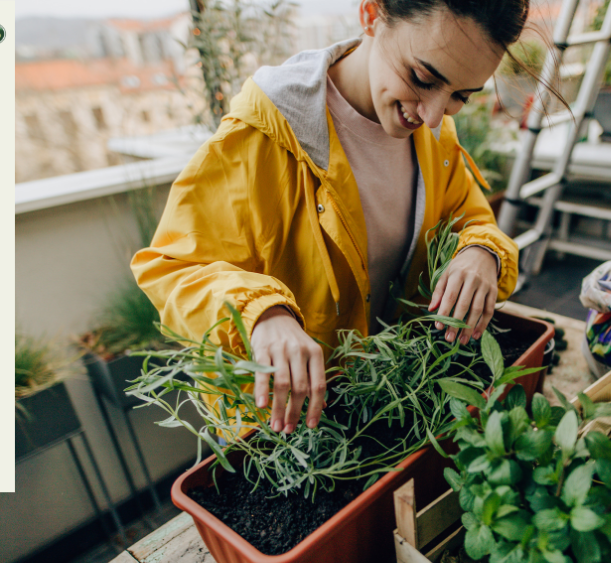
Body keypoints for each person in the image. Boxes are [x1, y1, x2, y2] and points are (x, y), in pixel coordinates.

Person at [131, 0, 550, 439]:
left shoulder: (434, 133)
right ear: (371, 16)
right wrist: (262, 314)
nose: (431, 116)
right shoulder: (262, 134)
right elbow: (172, 267)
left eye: (460, 97)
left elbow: (470, 218)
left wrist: (482, 251)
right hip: (288, 437)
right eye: (423, 79)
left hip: (389, 408)